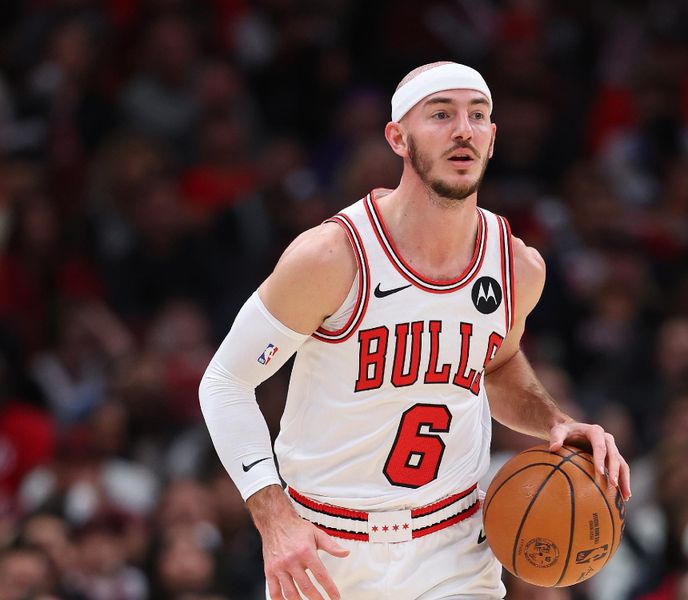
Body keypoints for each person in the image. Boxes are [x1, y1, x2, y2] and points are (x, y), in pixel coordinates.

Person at [199, 61, 631, 600]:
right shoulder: (332, 257)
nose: (462, 130)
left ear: (493, 139)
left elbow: (494, 366)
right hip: (328, 548)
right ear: (397, 137)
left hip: (453, 546)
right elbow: (224, 382)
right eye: (441, 114)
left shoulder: (517, 266)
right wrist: (272, 515)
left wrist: (555, 421)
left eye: (478, 116)